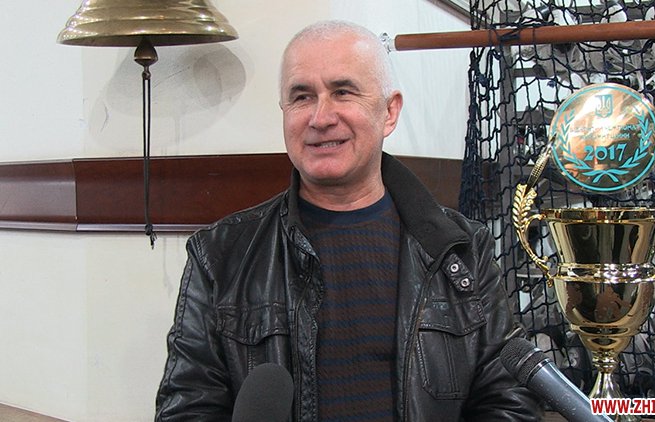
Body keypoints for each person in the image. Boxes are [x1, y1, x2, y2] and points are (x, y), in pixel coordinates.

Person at [155, 20, 542, 421]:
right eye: (302, 97)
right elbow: (187, 410)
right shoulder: (221, 256)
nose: (321, 117)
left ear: (389, 111)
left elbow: (508, 401)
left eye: (343, 92)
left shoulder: (461, 251)